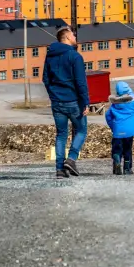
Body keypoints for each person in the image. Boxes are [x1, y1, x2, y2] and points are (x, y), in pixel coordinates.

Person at [42, 26, 89, 178]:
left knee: (61, 134)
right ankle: (72, 159)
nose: (75, 38)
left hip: (57, 102)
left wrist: (53, 95)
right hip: (73, 101)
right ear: (67, 37)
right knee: (81, 130)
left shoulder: (50, 56)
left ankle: (60, 169)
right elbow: (81, 82)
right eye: (73, 36)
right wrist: (86, 102)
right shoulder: (75, 56)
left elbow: (45, 79)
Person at [105, 81, 134, 175]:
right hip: (130, 131)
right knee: (128, 149)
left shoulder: (114, 104)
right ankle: (127, 169)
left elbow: (108, 116)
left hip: (118, 130)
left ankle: (117, 161)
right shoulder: (133, 103)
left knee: (117, 148)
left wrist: (113, 127)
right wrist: (133, 95)